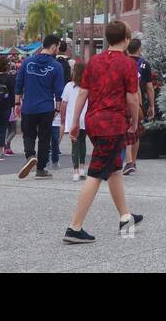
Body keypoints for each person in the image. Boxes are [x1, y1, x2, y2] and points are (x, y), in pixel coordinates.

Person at [64, 21, 141, 244]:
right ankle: (74, 227)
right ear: (127, 39)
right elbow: (132, 98)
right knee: (97, 172)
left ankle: (126, 217)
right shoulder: (128, 64)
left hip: (93, 122)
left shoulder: (93, 62)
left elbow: (82, 94)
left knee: (114, 168)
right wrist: (134, 122)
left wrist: (76, 121)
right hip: (112, 123)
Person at [15, 34, 66, 180]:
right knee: (45, 138)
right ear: (53, 46)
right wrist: (57, 109)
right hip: (46, 108)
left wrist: (17, 103)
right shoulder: (56, 66)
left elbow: (19, 83)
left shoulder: (27, 62)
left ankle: (30, 155)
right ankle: (41, 168)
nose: (58, 50)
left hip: (28, 107)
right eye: (58, 47)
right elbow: (58, 91)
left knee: (29, 134)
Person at [122, 37, 155, 176]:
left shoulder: (123, 62)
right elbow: (149, 87)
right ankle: (132, 162)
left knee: (128, 131)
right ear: (139, 48)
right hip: (137, 100)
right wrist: (151, 105)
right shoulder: (144, 64)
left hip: (122, 101)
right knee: (135, 132)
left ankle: (129, 162)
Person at [61, 60, 87, 181]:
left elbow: (64, 104)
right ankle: (82, 168)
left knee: (74, 144)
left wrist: (62, 118)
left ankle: (75, 171)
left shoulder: (69, 86)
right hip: (85, 118)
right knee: (83, 142)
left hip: (73, 118)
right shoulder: (88, 86)